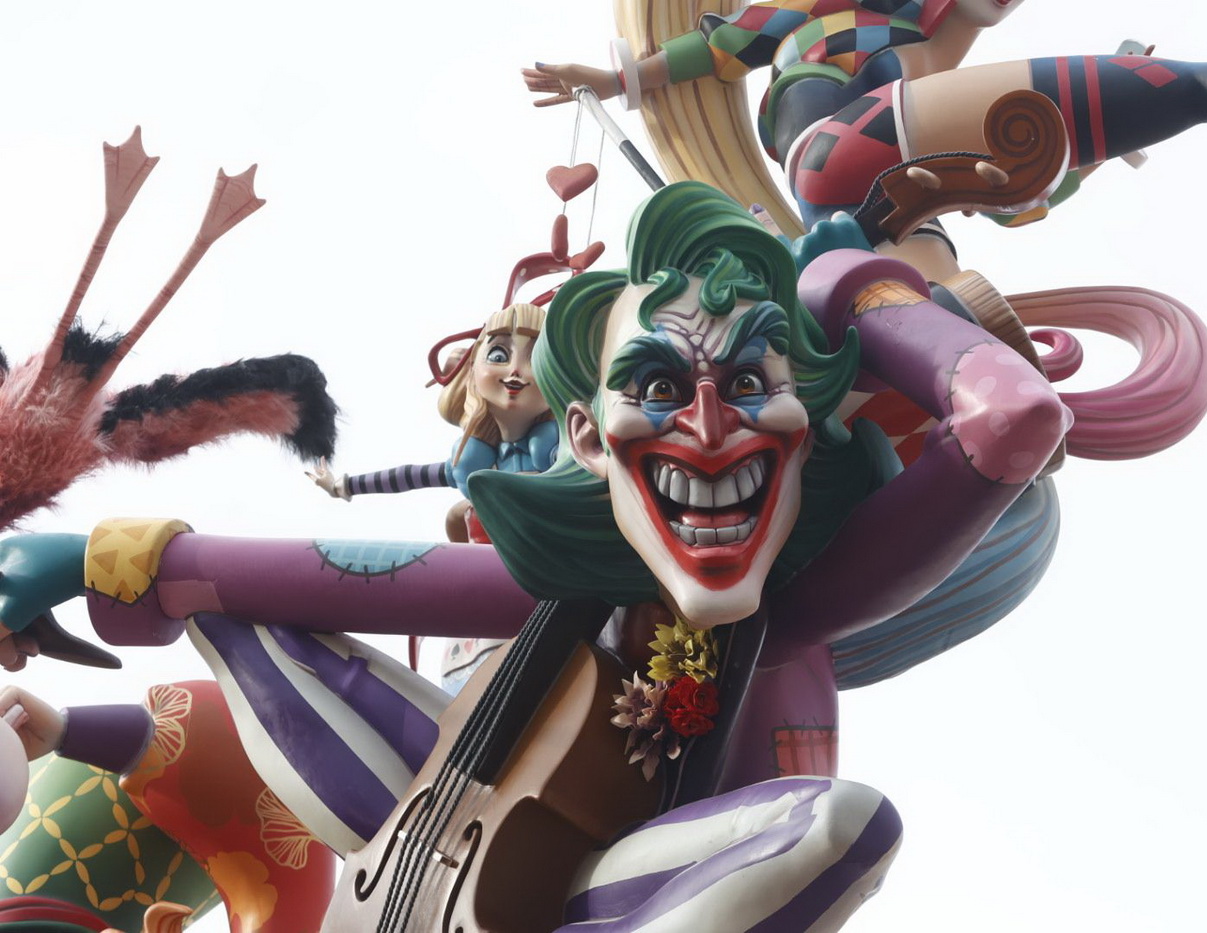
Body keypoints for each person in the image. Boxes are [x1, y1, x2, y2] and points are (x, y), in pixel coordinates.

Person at [0, 182, 1068, 929]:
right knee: (248, 638)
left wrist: (855, 287)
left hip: (641, 883)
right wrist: (99, 556)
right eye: (658, 386)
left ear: (803, 424)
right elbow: (346, 579)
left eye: (749, 385)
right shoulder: (570, 573)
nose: (706, 427)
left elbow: (1009, 417)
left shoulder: (803, 597)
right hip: (416, 835)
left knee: (838, 827)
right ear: (589, 438)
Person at [526, 0, 1207, 238]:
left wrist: (1091, 153)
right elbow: (721, 46)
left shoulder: (935, 73)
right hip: (828, 150)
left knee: (1177, 94)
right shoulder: (826, 17)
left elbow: (1011, 197)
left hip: (882, 214)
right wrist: (613, 77)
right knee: (1185, 88)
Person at [309, 302, 556, 545]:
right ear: (472, 369)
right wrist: (343, 485)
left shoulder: (563, 453)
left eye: (536, 358)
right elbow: (411, 476)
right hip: (497, 561)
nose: (515, 370)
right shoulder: (472, 460)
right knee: (467, 513)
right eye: (498, 355)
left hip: (558, 553)